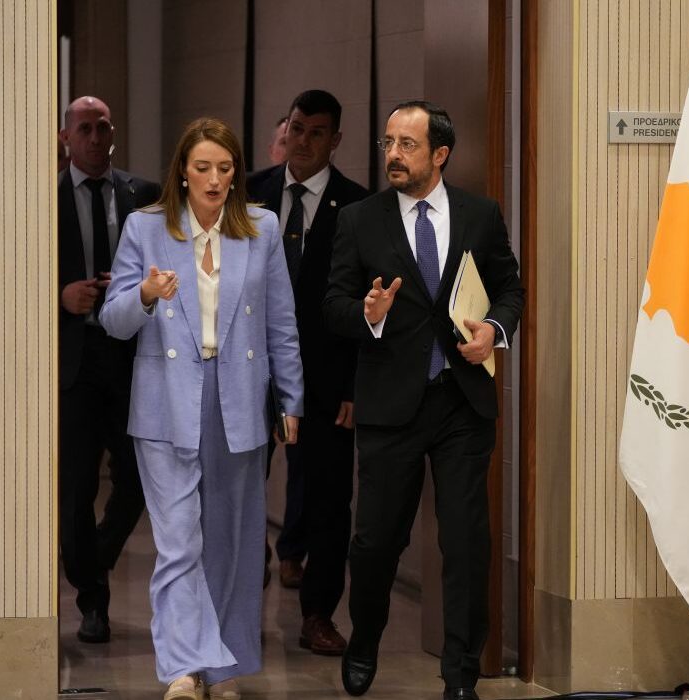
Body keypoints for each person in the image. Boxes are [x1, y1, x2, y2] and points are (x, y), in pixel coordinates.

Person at [323, 101, 524, 700]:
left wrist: (494, 330)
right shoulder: (360, 220)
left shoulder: (480, 215)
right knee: (377, 542)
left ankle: (461, 674)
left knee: (465, 544)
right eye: (388, 142)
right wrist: (368, 313)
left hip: (462, 404)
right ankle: (364, 640)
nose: (393, 154)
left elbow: (509, 287)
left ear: (440, 153)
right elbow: (333, 306)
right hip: (390, 407)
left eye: (406, 144)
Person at [100, 117, 303, 700]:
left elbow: (281, 321)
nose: (214, 179)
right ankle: (184, 669)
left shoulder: (261, 228)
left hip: (238, 397)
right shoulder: (146, 227)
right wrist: (143, 294)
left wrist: (292, 398)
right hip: (166, 400)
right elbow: (113, 320)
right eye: (202, 168)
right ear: (182, 173)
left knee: (231, 541)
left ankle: (223, 666)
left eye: (224, 168)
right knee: (179, 541)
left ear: (236, 173)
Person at [248, 89, 369, 655]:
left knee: (327, 501)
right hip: (251, 370)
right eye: (296, 128)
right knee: (238, 489)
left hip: (327, 378)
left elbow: (368, 305)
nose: (303, 141)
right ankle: (236, 605)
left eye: (317, 133)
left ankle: (318, 614)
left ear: (335, 140)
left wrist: (354, 385)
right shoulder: (250, 193)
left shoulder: (359, 206)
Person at [57, 95, 159, 644]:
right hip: (74, 364)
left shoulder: (143, 195)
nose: (96, 138)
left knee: (138, 476)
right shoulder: (44, 199)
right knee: (76, 487)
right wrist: (59, 297)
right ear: (65, 138)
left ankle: (94, 559)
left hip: (131, 359)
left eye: (103, 128)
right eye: (85, 129)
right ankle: (92, 600)